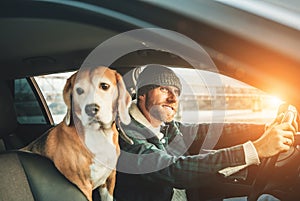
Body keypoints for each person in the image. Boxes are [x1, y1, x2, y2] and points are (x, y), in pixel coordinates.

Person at [113, 64, 297, 201]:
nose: (173, 98)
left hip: (192, 196)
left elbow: (208, 130)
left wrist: (263, 128)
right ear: (142, 94)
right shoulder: (127, 137)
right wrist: (254, 150)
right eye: (164, 89)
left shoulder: (165, 127)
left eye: (176, 92)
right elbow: (175, 171)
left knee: (269, 198)